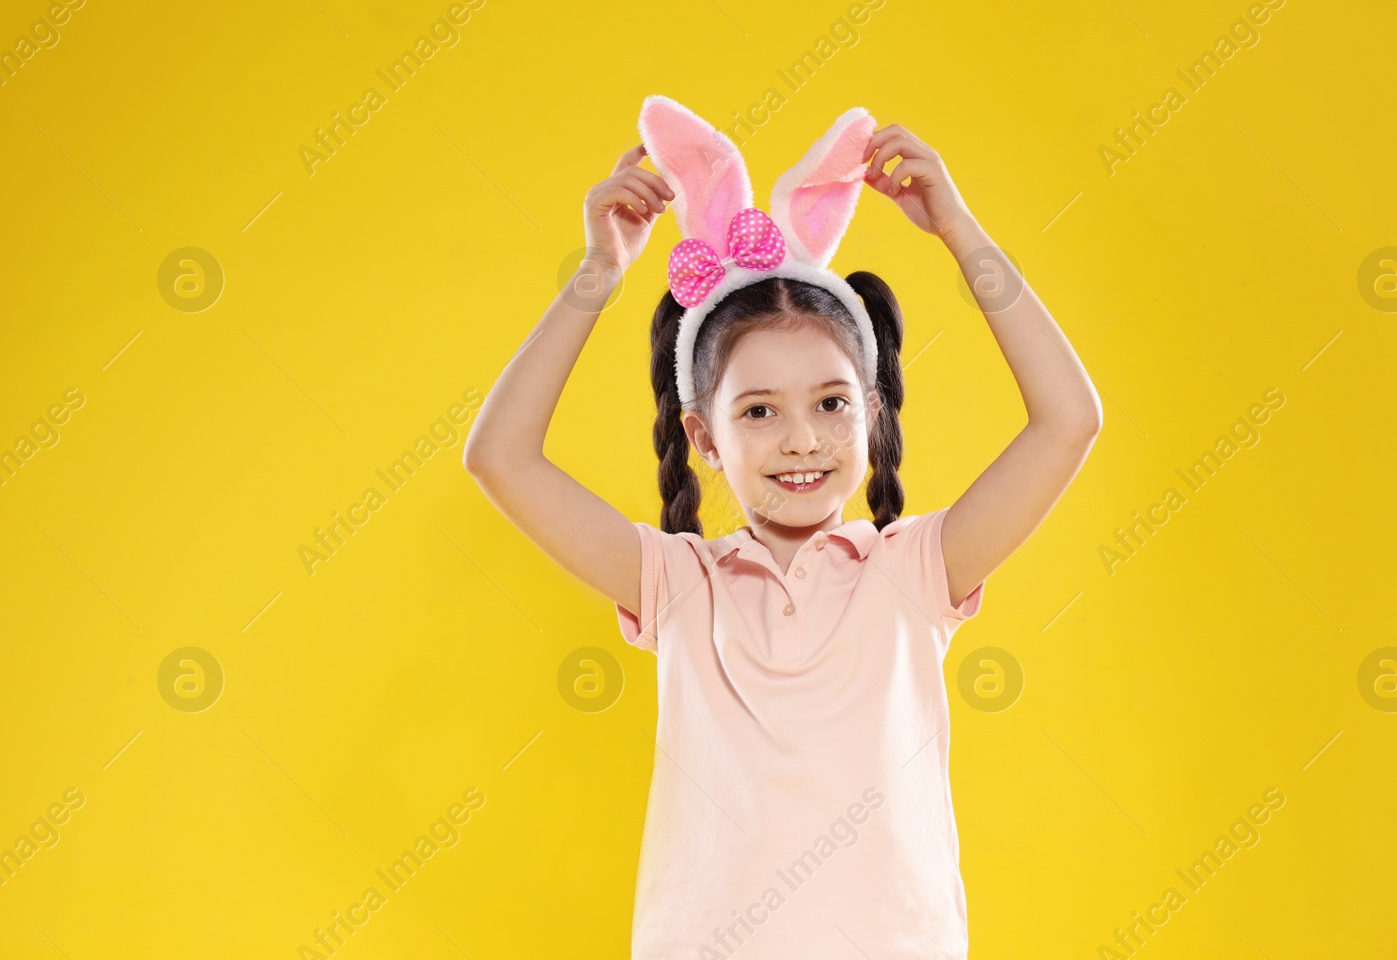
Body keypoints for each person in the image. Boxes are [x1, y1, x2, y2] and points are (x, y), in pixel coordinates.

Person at [463, 94, 1103, 959]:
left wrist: (959, 231)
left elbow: (1070, 420)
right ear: (705, 439)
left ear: (872, 413)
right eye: (758, 410)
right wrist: (597, 274)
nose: (802, 438)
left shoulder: (916, 571)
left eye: (831, 403)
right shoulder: (679, 585)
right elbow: (499, 457)